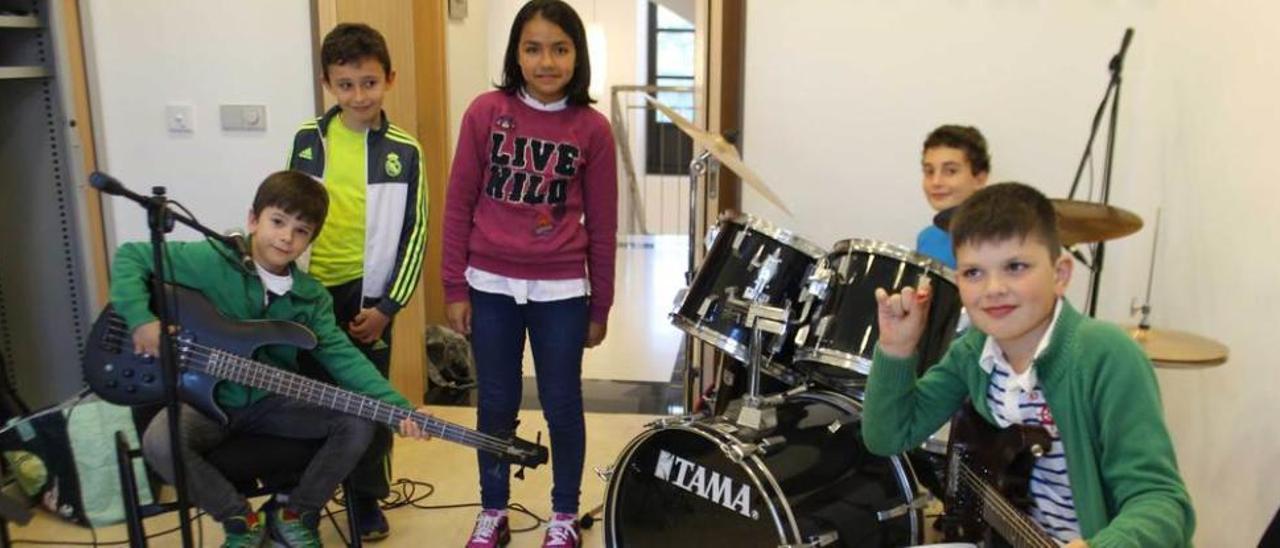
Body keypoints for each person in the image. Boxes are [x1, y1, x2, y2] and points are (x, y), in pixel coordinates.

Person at [862, 182, 1194, 546]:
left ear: (1061, 273)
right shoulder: (973, 351)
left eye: (1015, 267)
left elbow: (1162, 502)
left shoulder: (1106, 355)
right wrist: (896, 349)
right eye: (973, 273)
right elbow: (888, 436)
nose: (993, 288)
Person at [114, 171, 429, 548]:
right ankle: (238, 519)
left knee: (360, 421)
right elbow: (131, 255)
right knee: (160, 441)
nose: (286, 237)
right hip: (202, 402)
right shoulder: (210, 260)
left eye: (301, 231)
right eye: (277, 222)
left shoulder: (310, 297)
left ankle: (296, 514)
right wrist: (141, 321)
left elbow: (345, 358)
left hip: (270, 404)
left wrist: (398, 408)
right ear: (253, 219)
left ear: (310, 239)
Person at [442, 1, 617, 546]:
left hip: (562, 289)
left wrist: (601, 305)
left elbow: (606, 226)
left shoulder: (593, 129)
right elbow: (458, 204)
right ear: (516, 53)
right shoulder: (484, 112)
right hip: (489, 284)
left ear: (576, 56)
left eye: (560, 49)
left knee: (563, 401)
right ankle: (493, 509)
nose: (547, 61)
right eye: (534, 48)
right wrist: (454, 285)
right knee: (495, 401)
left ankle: (564, 514)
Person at [286, 22, 428, 541]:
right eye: (346, 84)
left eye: (369, 82)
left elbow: (415, 235)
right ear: (328, 84)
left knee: (368, 400)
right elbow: (288, 213)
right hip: (308, 293)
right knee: (309, 397)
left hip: (367, 298)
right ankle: (306, 494)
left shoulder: (405, 150)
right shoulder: (307, 139)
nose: (359, 95)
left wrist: (389, 307)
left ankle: (367, 499)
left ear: (388, 79)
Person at [916, 125, 990, 268]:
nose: (936, 182)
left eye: (950, 171)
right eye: (929, 171)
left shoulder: (998, 238)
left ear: (979, 179)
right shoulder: (927, 238)